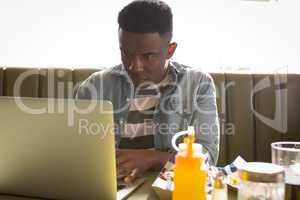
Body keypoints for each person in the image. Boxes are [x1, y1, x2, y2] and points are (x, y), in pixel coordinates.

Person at [76, 0, 219, 183]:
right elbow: (78, 153)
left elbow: (208, 157)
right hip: (112, 188)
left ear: (170, 50)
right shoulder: (95, 86)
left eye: (148, 56)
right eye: (125, 53)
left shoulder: (198, 84)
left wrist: (151, 158)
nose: (134, 66)